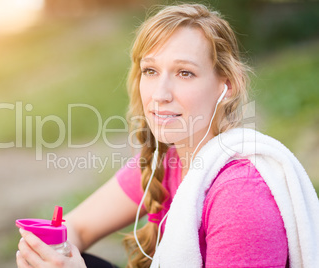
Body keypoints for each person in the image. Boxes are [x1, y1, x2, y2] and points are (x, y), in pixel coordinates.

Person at [16, 3, 319, 268]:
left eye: (184, 72)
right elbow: (76, 228)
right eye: (150, 71)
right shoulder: (165, 161)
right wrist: (47, 253)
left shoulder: (241, 198)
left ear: (225, 86)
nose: (160, 94)